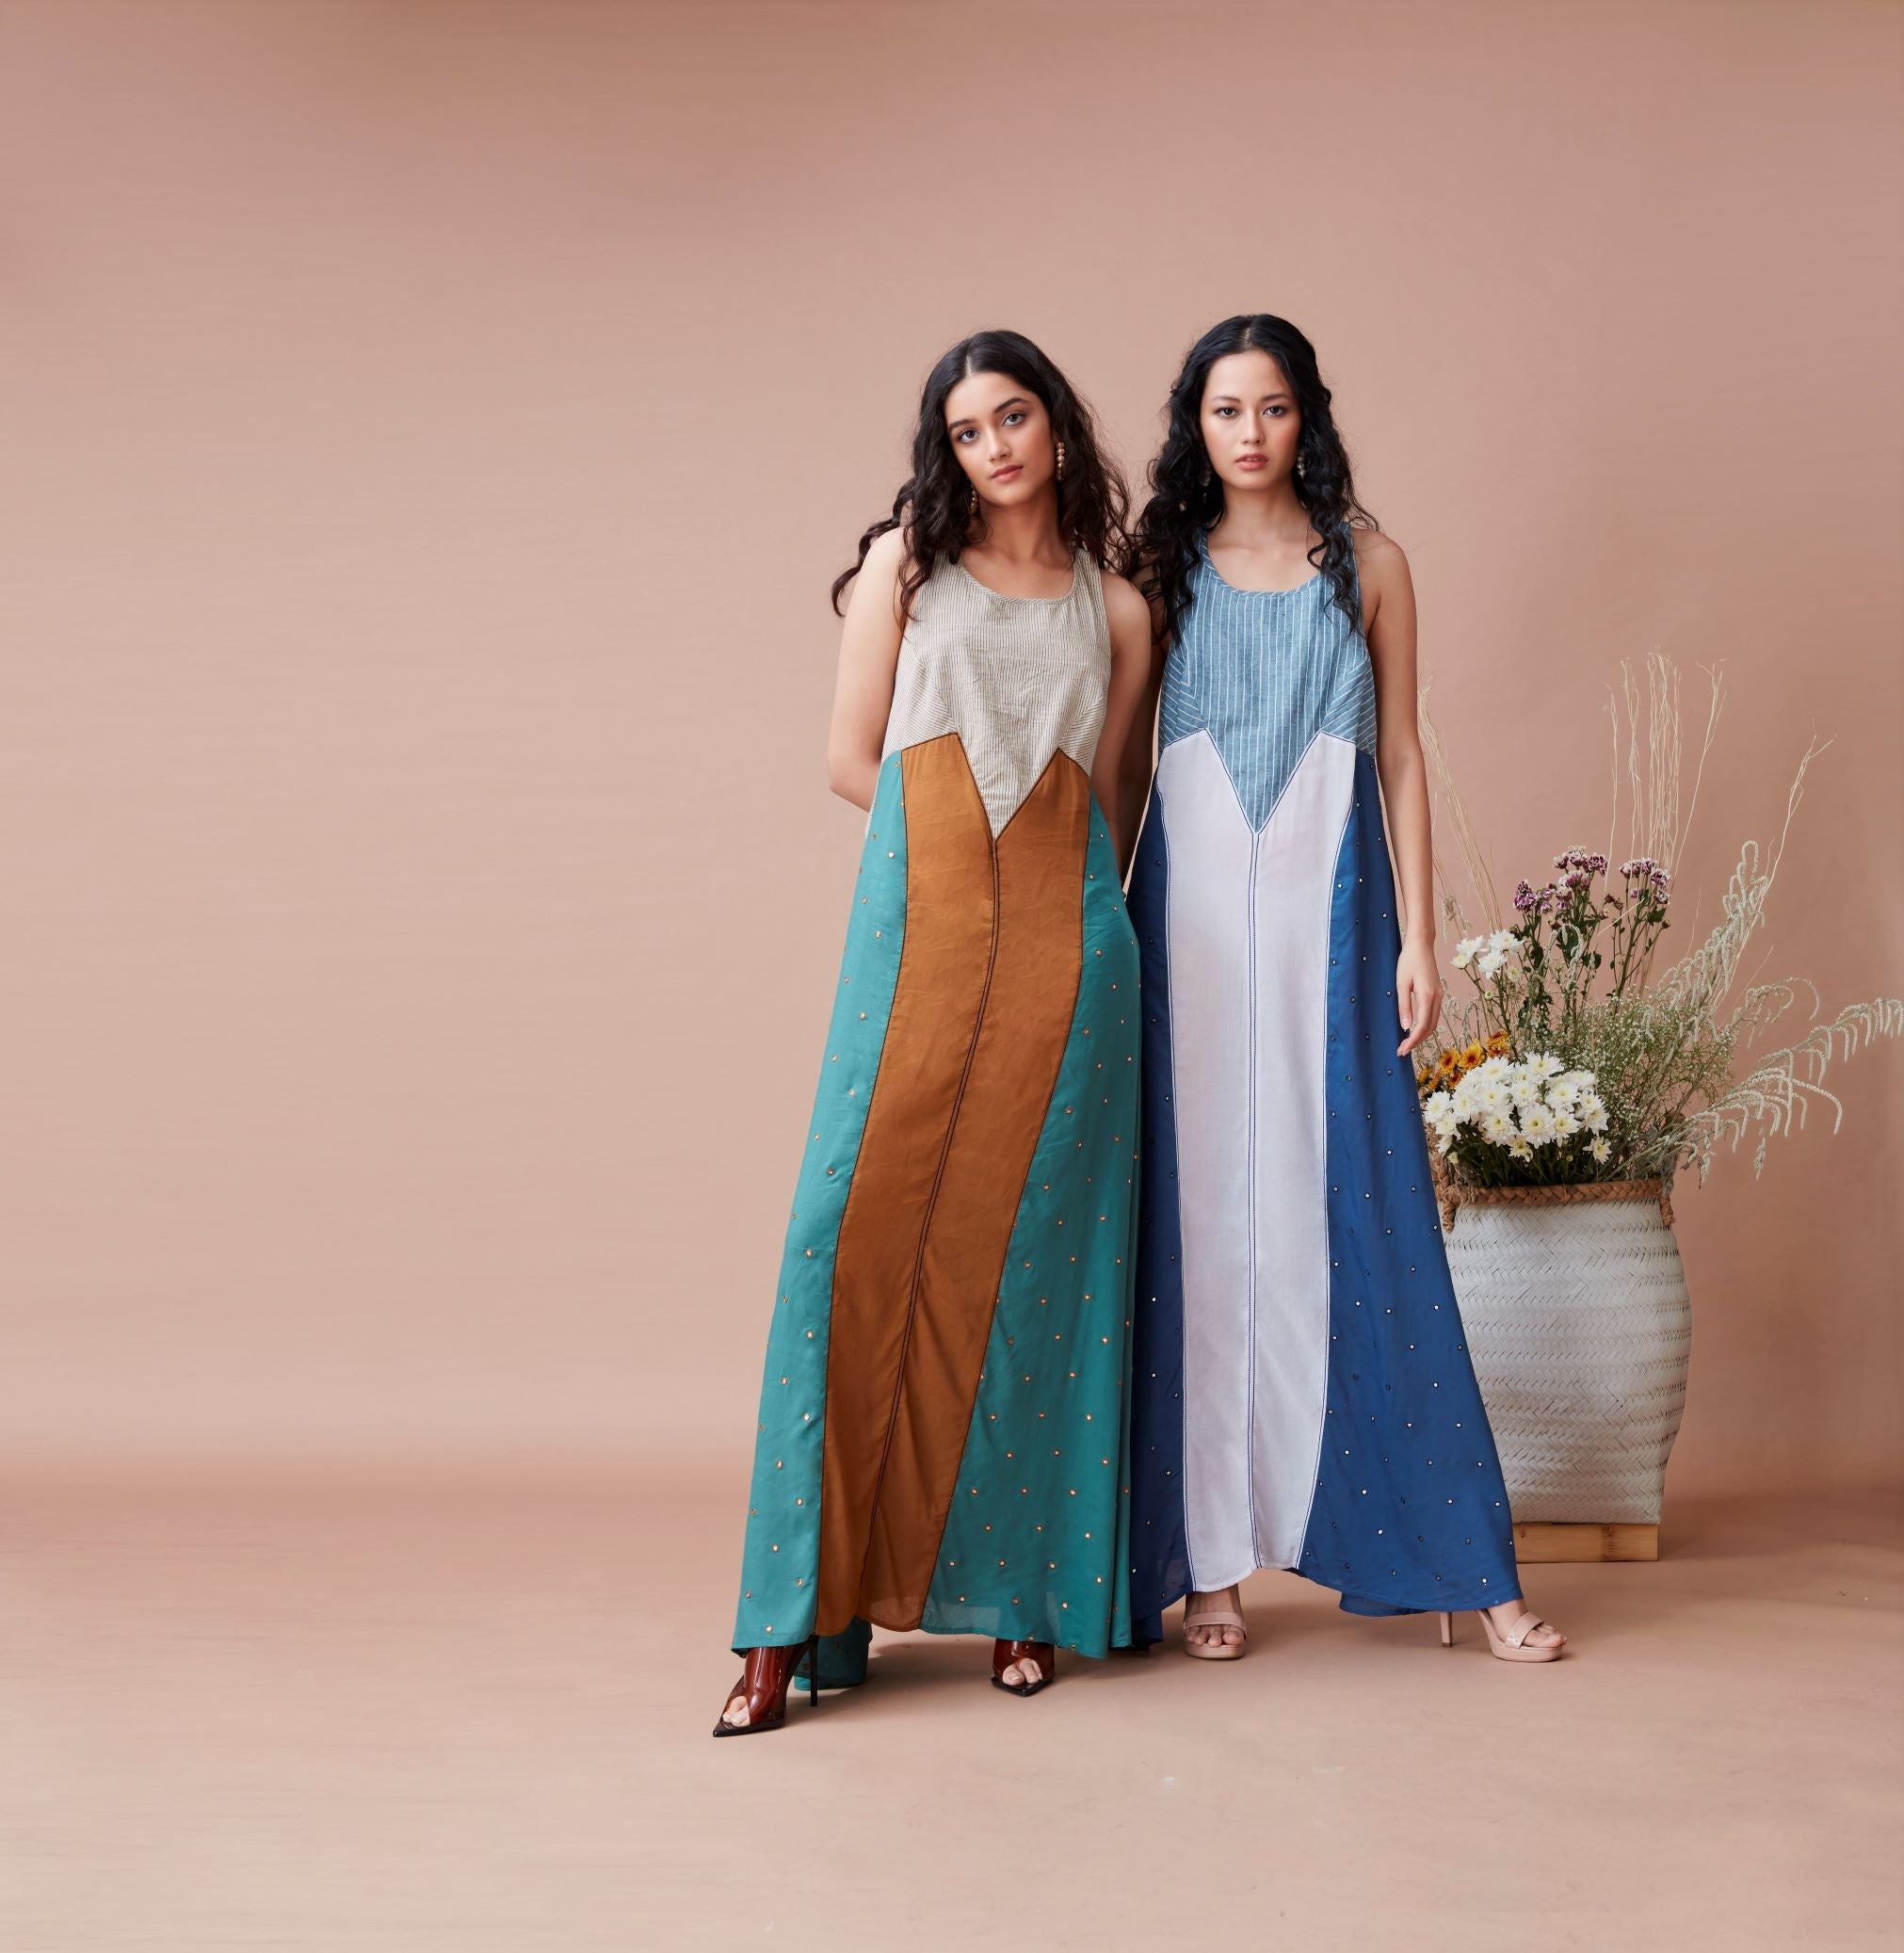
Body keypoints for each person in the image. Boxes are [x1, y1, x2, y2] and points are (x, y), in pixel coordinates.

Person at [716, 330, 1156, 1735]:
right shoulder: (906, 566)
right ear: (945, 451)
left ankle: (1020, 1598)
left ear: (1055, 424)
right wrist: (953, 852)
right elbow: (848, 758)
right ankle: (787, 1624)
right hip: (921, 929)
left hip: (1071, 954)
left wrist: (1064, 909)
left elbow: (1115, 800)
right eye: (967, 431)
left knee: (1032, 1262)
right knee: (839, 1241)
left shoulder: (1118, 607)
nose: (994, 449)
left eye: (1011, 417)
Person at [1119, 314, 1569, 1665]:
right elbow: (1121, 764)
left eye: (1271, 407)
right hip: (1186, 920)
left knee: (1364, 1205)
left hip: (1334, 906)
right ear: (1194, 427)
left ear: (1306, 416)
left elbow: (1404, 755)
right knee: (1193, 1220)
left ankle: (1460, 1560)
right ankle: (1207, 1567)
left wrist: (1418, 935)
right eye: (1224, 410)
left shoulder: (1371, 566)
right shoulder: (1158, 572)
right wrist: (1093, 929)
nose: (1248, 432)